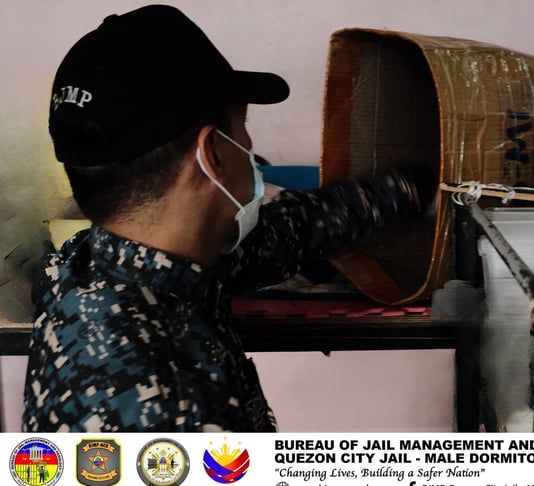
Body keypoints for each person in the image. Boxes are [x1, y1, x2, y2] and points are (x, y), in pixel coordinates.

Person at [23, 4, 436, 432]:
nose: (250, 148)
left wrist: (405, 190)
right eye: (242, 128)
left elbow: (292, 230)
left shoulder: (89, 265)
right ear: (213, 155)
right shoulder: (163, 408)